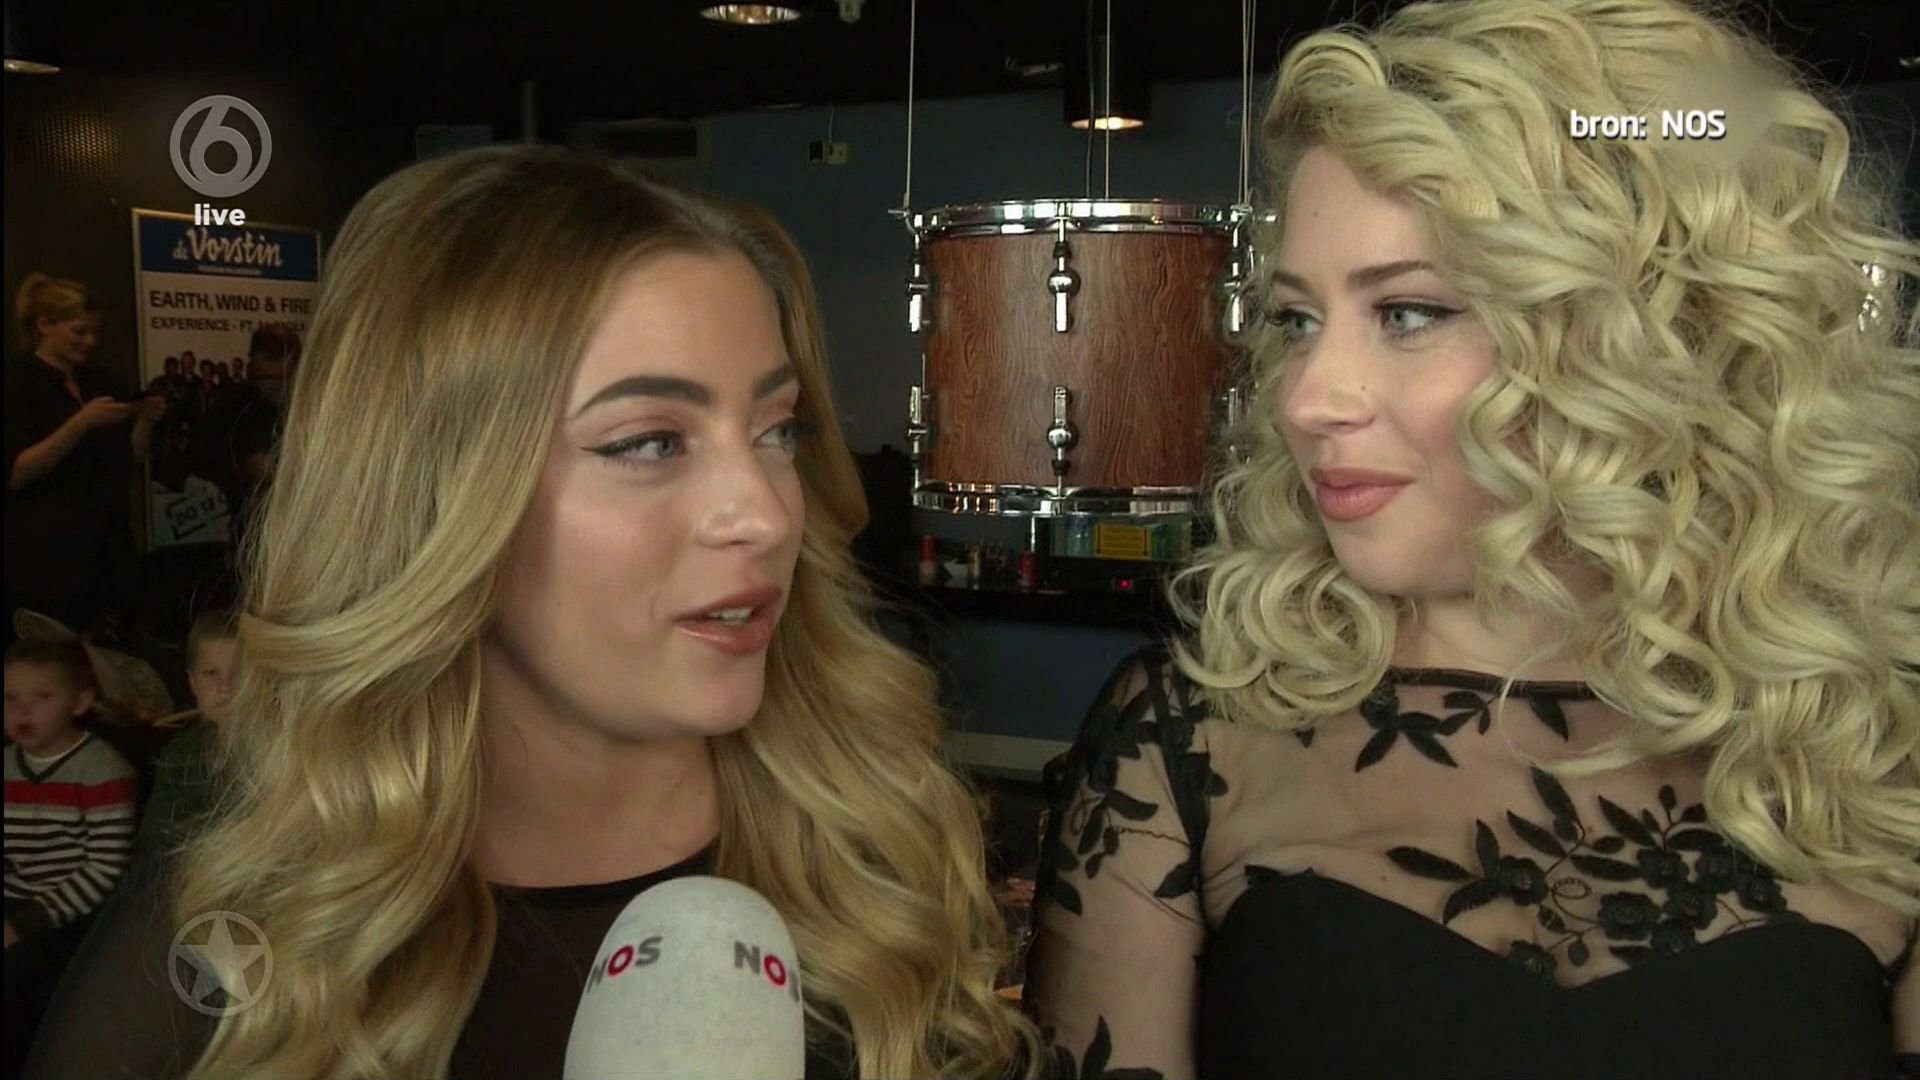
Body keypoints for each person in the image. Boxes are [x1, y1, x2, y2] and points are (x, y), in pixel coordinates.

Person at [1024, 1, 1920, 1077]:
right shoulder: (1193, 742)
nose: (1306, 398)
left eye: (1407, 313)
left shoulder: (1872, 748)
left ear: (1648, 335)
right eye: (1298, 320)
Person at [25, 145, 1045, 1080]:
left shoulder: (882, 856)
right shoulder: (236, 955)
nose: (767, 514)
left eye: (778, 429)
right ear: (433, 495)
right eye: (649, 441)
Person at [2, 638, 137, 1080]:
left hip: (70, 913)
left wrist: (25, 923)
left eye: (41, 697)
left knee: (18, 978)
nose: (22, 711)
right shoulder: (7, 765)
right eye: (10, 698)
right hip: (16, 896)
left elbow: (105, 869)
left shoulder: (102, 772)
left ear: (79, 703)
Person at [5, 274, 166, 640]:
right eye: (79, 332)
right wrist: (81, 423)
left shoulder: (102, 381)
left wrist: (144, 421)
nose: (90, 342)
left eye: (95, 332)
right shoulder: (17, 385)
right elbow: (17, 472)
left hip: (106, 554)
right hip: (44, 559)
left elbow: (125, 463)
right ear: (45, 325)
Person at [129, 608, 236, 865]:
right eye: (211, 673)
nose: (225, 687)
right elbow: (155, 841)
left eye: (239, 672)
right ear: (192, 683)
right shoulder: (181, 754)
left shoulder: (284, 751)